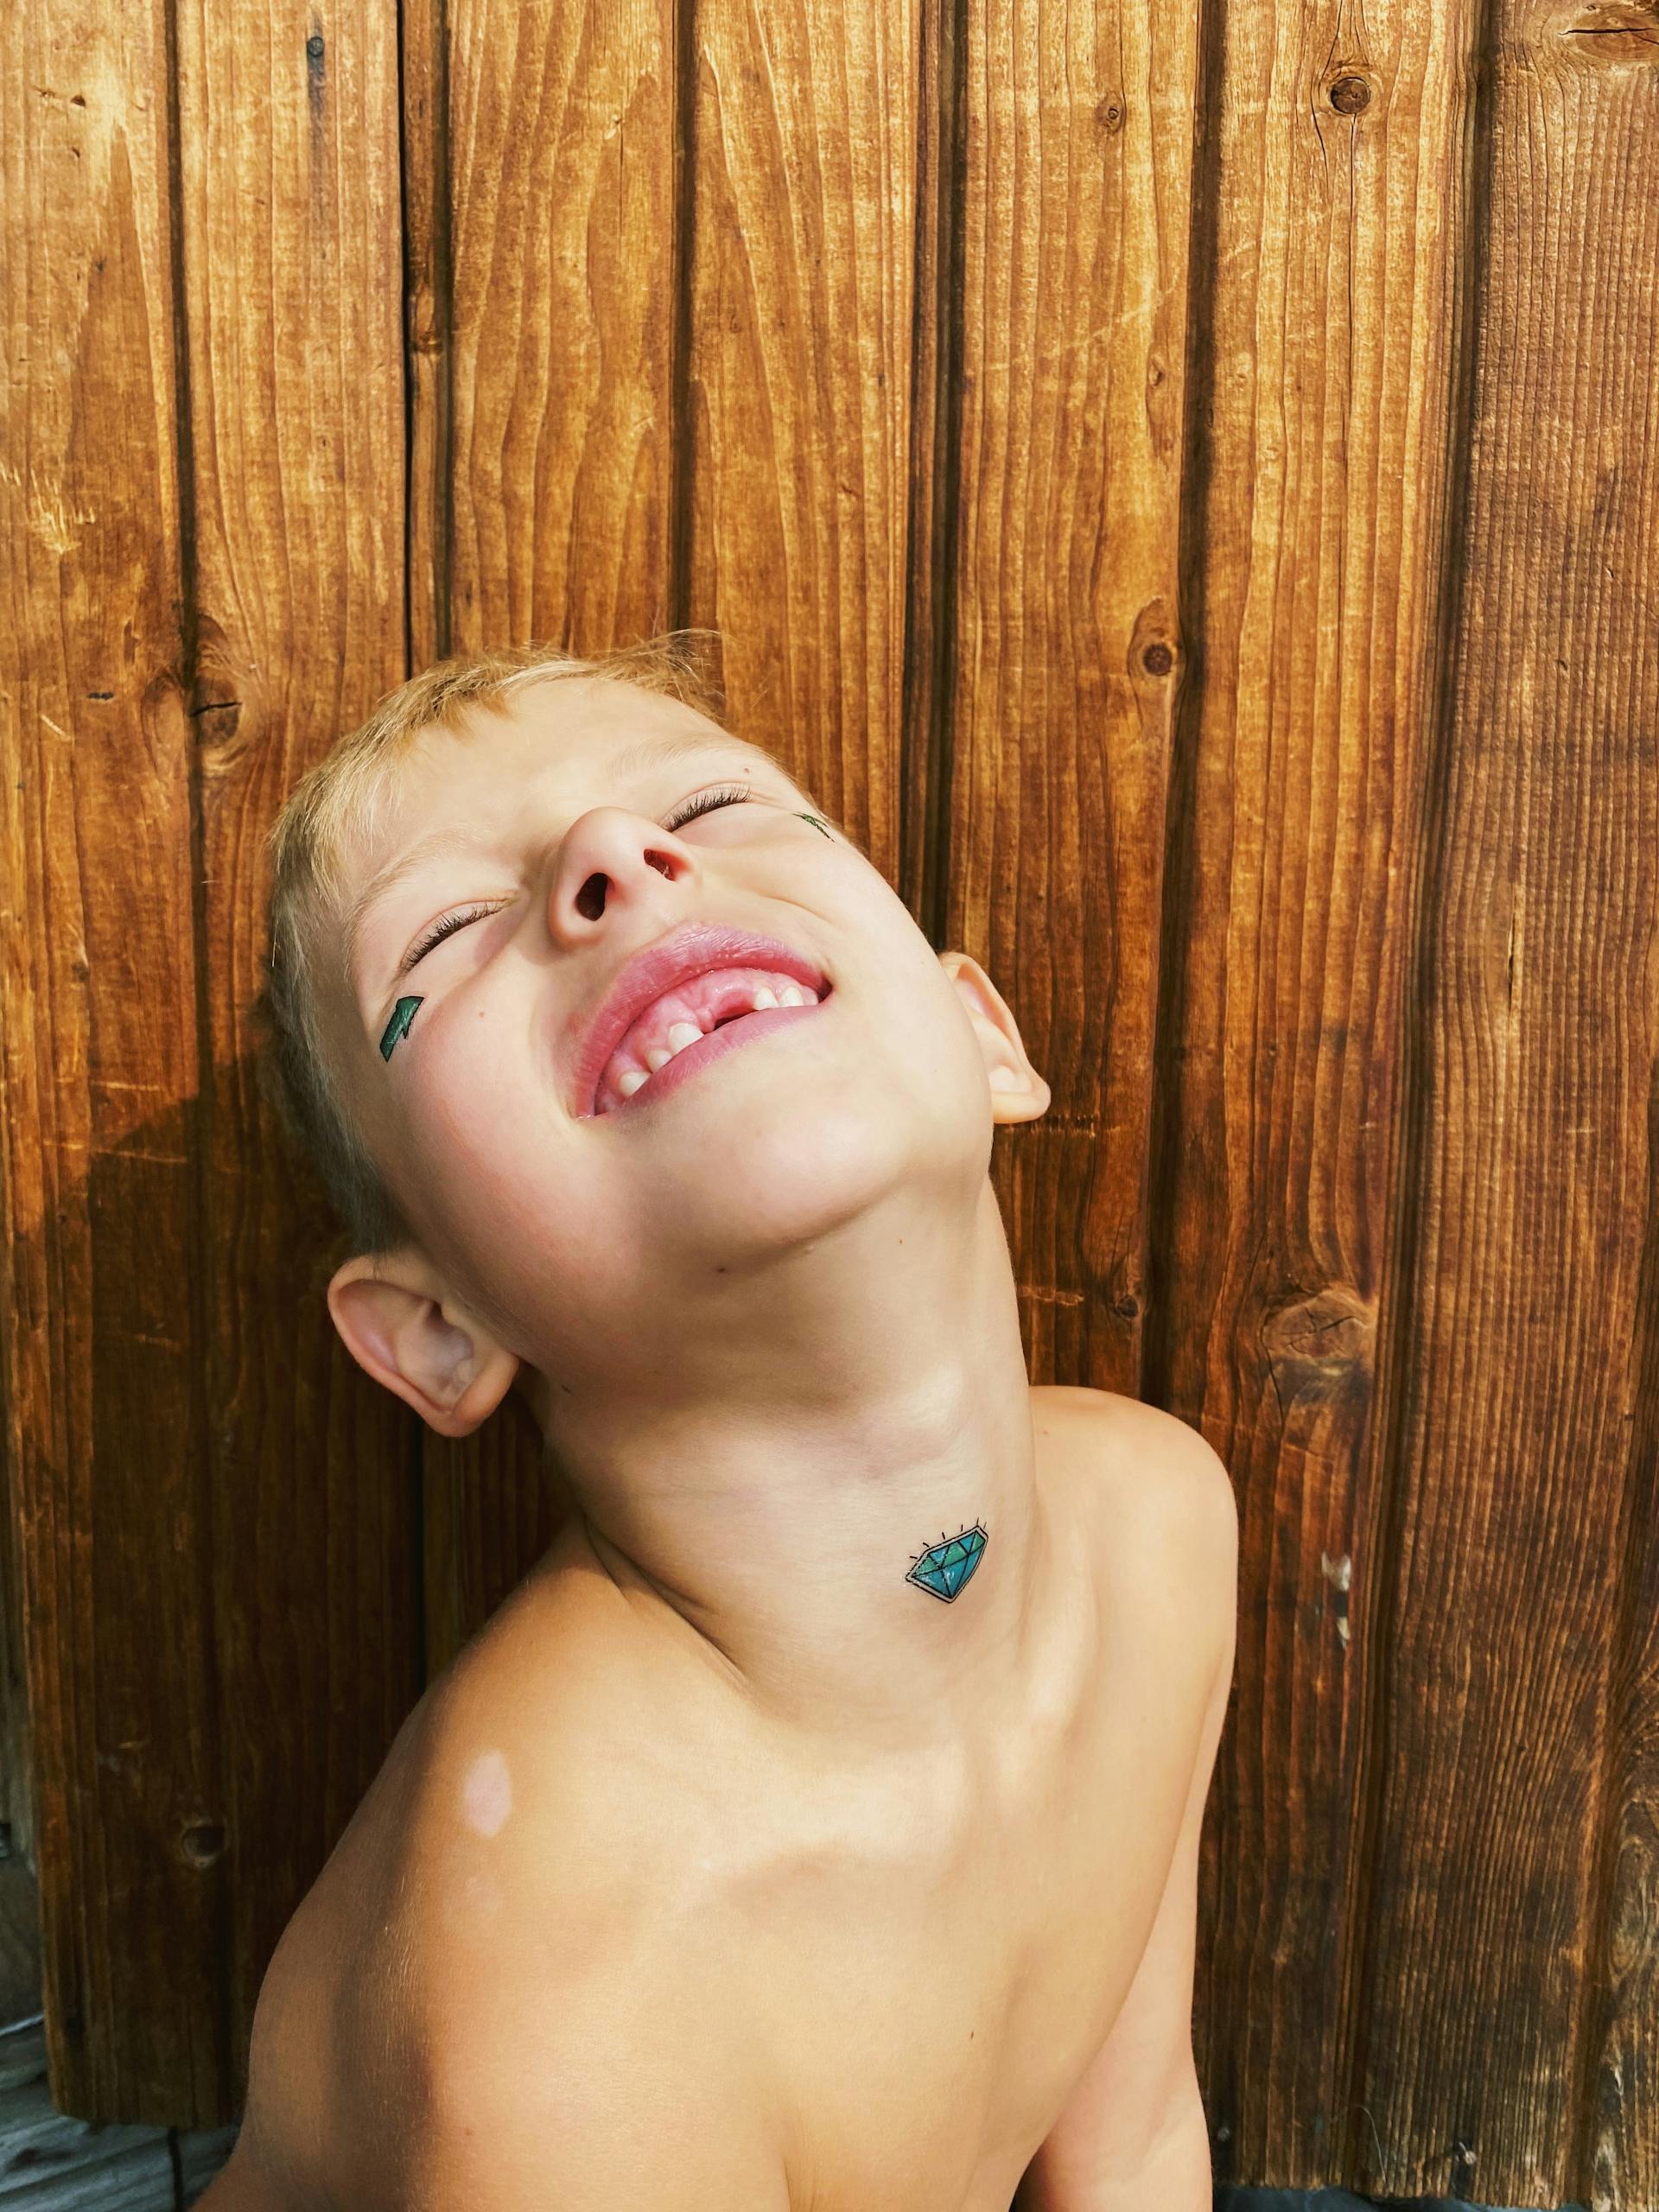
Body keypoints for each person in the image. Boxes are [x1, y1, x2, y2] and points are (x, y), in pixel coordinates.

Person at [196, 634, 1237, 2212]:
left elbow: (1134, 2151)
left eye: (711, 803)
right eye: (456, 931)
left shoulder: (1156, 1523)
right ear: (434, 1330)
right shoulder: (566, 1960)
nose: (616, 856)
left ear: (981, 1038)